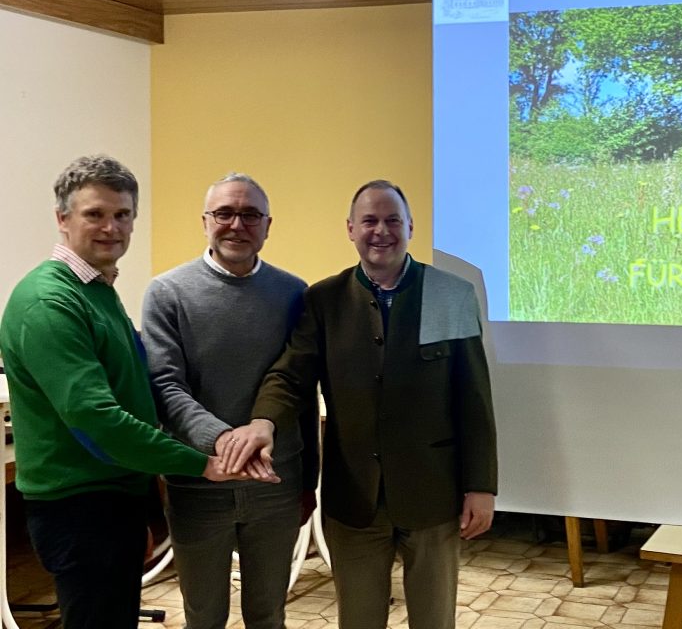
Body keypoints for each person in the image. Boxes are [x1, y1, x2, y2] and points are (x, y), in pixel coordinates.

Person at [226, 179, 498, 629]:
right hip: (354, 498)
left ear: (410, 226)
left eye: (392, 220)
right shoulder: (323, 299)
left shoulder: (449, 294)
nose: (381, 231)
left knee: (435, 620)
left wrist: (481, 485)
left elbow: (474, 398)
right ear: (350, 229)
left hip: (434, 495)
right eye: (369, 221)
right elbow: (291, 375)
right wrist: (263, 421)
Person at [0, 155, 252, 629]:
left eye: (123, 215)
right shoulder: (49, 303)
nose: (111, 228)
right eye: (95, 214)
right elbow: (99, 422)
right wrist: (201, 463)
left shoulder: (97, 288)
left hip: (113, 499)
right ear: (62, 218)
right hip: (81, 510)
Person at [141, 173, 319, 629]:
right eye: (224, 213)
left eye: (250, 214)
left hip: (276, 484)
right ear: (205, 222)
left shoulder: (295, 293)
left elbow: (299, 388)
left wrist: (307, 483)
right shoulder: (167, 293)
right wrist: (224, 441)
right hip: (199, 483)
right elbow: (165, 386)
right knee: (204, 616)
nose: (236, 224)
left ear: (267, 225)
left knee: (269, 614)